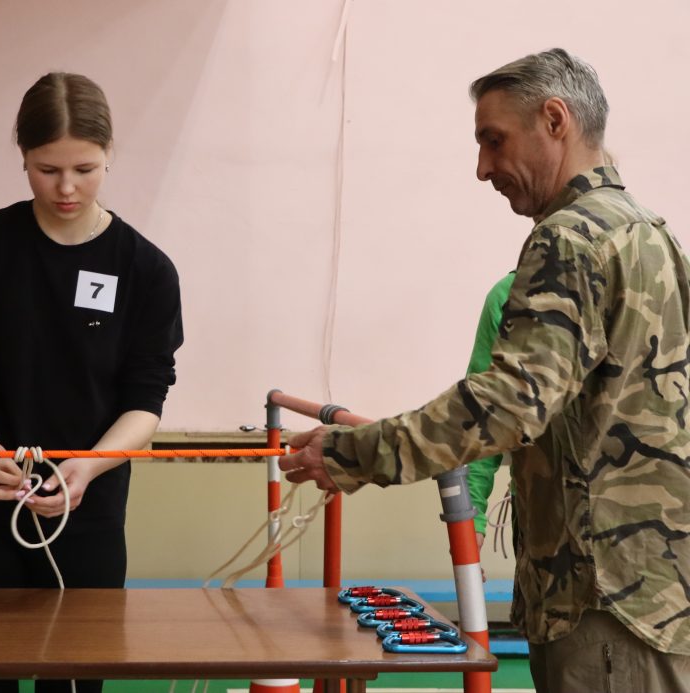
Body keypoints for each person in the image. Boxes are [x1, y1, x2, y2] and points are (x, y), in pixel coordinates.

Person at [279, 48, 690, 692]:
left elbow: (508, 405)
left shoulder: (569, 238)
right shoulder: (650, 234)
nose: (483, 168)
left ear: (554, 120)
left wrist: (351, 453)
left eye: (494, 141)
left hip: (601, 601)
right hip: (655, 591)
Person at [0, 72, 184, 693]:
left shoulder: (146, 270)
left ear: (109, 155)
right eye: (47, 170)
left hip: (88, 508)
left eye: (85, 169)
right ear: (22, 155)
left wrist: (89, 468)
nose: (66, 188)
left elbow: (146, 401)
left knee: (75, 675)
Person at [465, 272, 515, 558]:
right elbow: (484, 412)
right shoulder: (509, 295)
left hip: (627, 516)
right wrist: (472, 518)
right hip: (541, 513)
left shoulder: (635, 283)